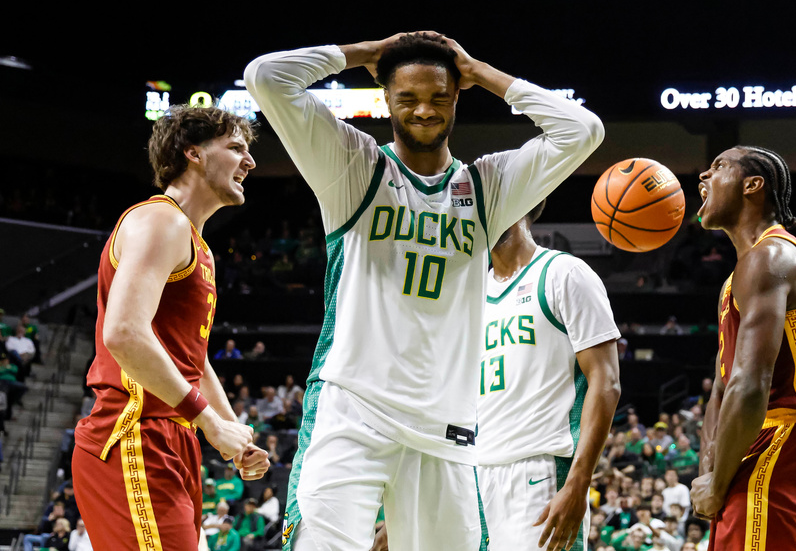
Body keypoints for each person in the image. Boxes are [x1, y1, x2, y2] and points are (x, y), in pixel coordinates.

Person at [245, 30, 603, 551]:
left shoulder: (487, 188)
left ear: (457, 98)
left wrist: (480, 71)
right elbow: (265, 77)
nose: (423, 110)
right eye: (407, 97)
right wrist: (370, 52)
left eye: (439, 97)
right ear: (386, 99)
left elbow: (582, 130)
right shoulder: (354, 165)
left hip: (447, 432)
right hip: (352, 410)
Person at [71, 105, 270, 551]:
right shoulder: (161, 219)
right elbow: (123, 332)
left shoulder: (198, 245)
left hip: (171, 437)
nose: (250, 161)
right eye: (236, 147)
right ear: (193, 153)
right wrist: (210, 422)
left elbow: (190, 361)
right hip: (135, 431)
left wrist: (229, 431)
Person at [689, 146, 796, 549]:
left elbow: (751, 383)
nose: (703, 176)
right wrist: (710, 468)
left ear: (752, 185)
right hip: (750, 443)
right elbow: (722, 386)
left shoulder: (771, 257)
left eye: (718, 167)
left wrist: (716, 483)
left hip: (783, 438)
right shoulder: (737, 277)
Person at [474, 204, 621, 551]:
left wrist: (578, 483)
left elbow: (606, 381)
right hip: (474, 477)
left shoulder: (564, 272)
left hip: (539, 471)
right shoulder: (469, 293)